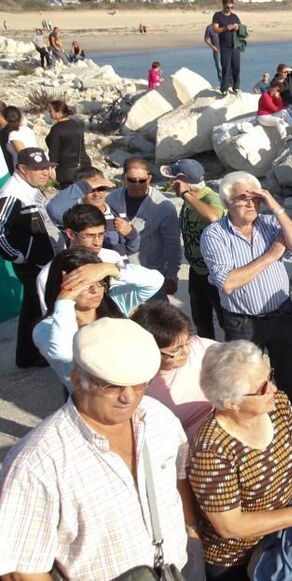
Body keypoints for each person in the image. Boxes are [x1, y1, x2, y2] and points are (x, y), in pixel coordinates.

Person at [0, 318, 196, 580]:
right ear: (77, 378)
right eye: (112, 385)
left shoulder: (159, 418)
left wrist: (192, 533)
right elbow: (21, 571)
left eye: (138, 384)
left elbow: (178, 479)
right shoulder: (37, 463)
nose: (128, 397)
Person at [189, 341, 292, 580]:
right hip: (235, 559)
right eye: (262, 388)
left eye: (270, 377)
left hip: (279, 535)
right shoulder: (211, 450)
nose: (273, 388)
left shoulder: (278, 404)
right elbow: (230, 526)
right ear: (231, 403)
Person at [201, 171, 292, 424]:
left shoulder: (271, 224)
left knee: (291, 382)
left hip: (281, 315)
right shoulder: (215, 235)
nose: (252, 204)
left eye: (257, 198)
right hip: (242, 322)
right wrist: (270, 256)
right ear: (227, 202)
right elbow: (228, 283)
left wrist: (276, 207)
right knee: (246, 386)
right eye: (243, 198)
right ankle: (256, 437)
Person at [34, 244, 163, 390]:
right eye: (84, 284)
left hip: (130, 390)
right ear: (61, 284)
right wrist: (65, 298)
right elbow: (64, 353)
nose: (95, 290)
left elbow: (155, 281)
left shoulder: (115, 302)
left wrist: (109, 268)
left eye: (100, 281)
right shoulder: (45, 328)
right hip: (92, 403)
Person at [0, 148, 65, 367]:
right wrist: (17, 256)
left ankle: (29, 355)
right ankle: (32, 355)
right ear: (21, 169)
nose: (45, 173)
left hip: (43, 259)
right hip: (32, 263)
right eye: (38, 169)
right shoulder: (12, 194)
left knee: (35, 306)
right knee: (38, 306)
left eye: (47, 167)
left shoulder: (31, 187)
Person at [133, 301, 215, 443]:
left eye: (187, 342)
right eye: (175, 350)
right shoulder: (138, 386)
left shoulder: (201, 348)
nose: (186, 352)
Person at [161, 158, 225, 340]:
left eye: (173, 179)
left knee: (226, 321)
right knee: (201, 321)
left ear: (182, 180)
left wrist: (186, 195)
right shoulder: (190, 200)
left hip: (216, 273)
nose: (170, 183)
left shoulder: (210, 197)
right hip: (197, 271)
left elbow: (214, 217)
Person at [37, 202, 135, 314]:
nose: (97, 242)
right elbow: (50, 318)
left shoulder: (112, 257)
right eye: (90, 236)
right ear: (70, 234)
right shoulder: (48, 274)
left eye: (101, 235)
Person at [107, 157, 182, 299]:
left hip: (151, 275)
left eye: (141, 180)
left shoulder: (163, 206)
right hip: (119, 274)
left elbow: (173, 245)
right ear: (124, 177)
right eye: (131, 180)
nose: (137, 185)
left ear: (149, 178)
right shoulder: (112, 200)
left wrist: (172, 276)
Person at [48, 166, 139, 258]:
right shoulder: (75, 215)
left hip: (119, 268)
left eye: (101, 188)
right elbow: (53, 209)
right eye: (91, 189)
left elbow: (131, 249)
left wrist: (131, 233)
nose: (96, 194)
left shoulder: (117, 212)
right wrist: (84, 185)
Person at [45, 99, 91, 187]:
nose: (49, 113)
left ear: (59, 112)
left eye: (50, 111)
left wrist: (51, 168)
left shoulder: (56, 129)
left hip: (67, 170)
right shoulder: (77, 125)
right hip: (84, 165)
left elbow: (54, 151)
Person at [213, 0, 243, 94]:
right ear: (223, 5)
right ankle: (224, 88)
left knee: (236, 67)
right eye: (227, 7)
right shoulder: (217, 16)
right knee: (226, 67)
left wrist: (237, 27)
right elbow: (215, 29)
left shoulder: (234, 17)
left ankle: (236, 87)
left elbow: (241, 27)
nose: (229, 9)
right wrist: (226, 28)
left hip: (235, 45)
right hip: (225, 46)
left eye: (231, 7)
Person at [3, 106, 38, 171]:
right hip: (35, 164)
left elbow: (23, 155)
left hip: (24, 171)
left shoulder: (13, 135)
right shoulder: (28, 130)